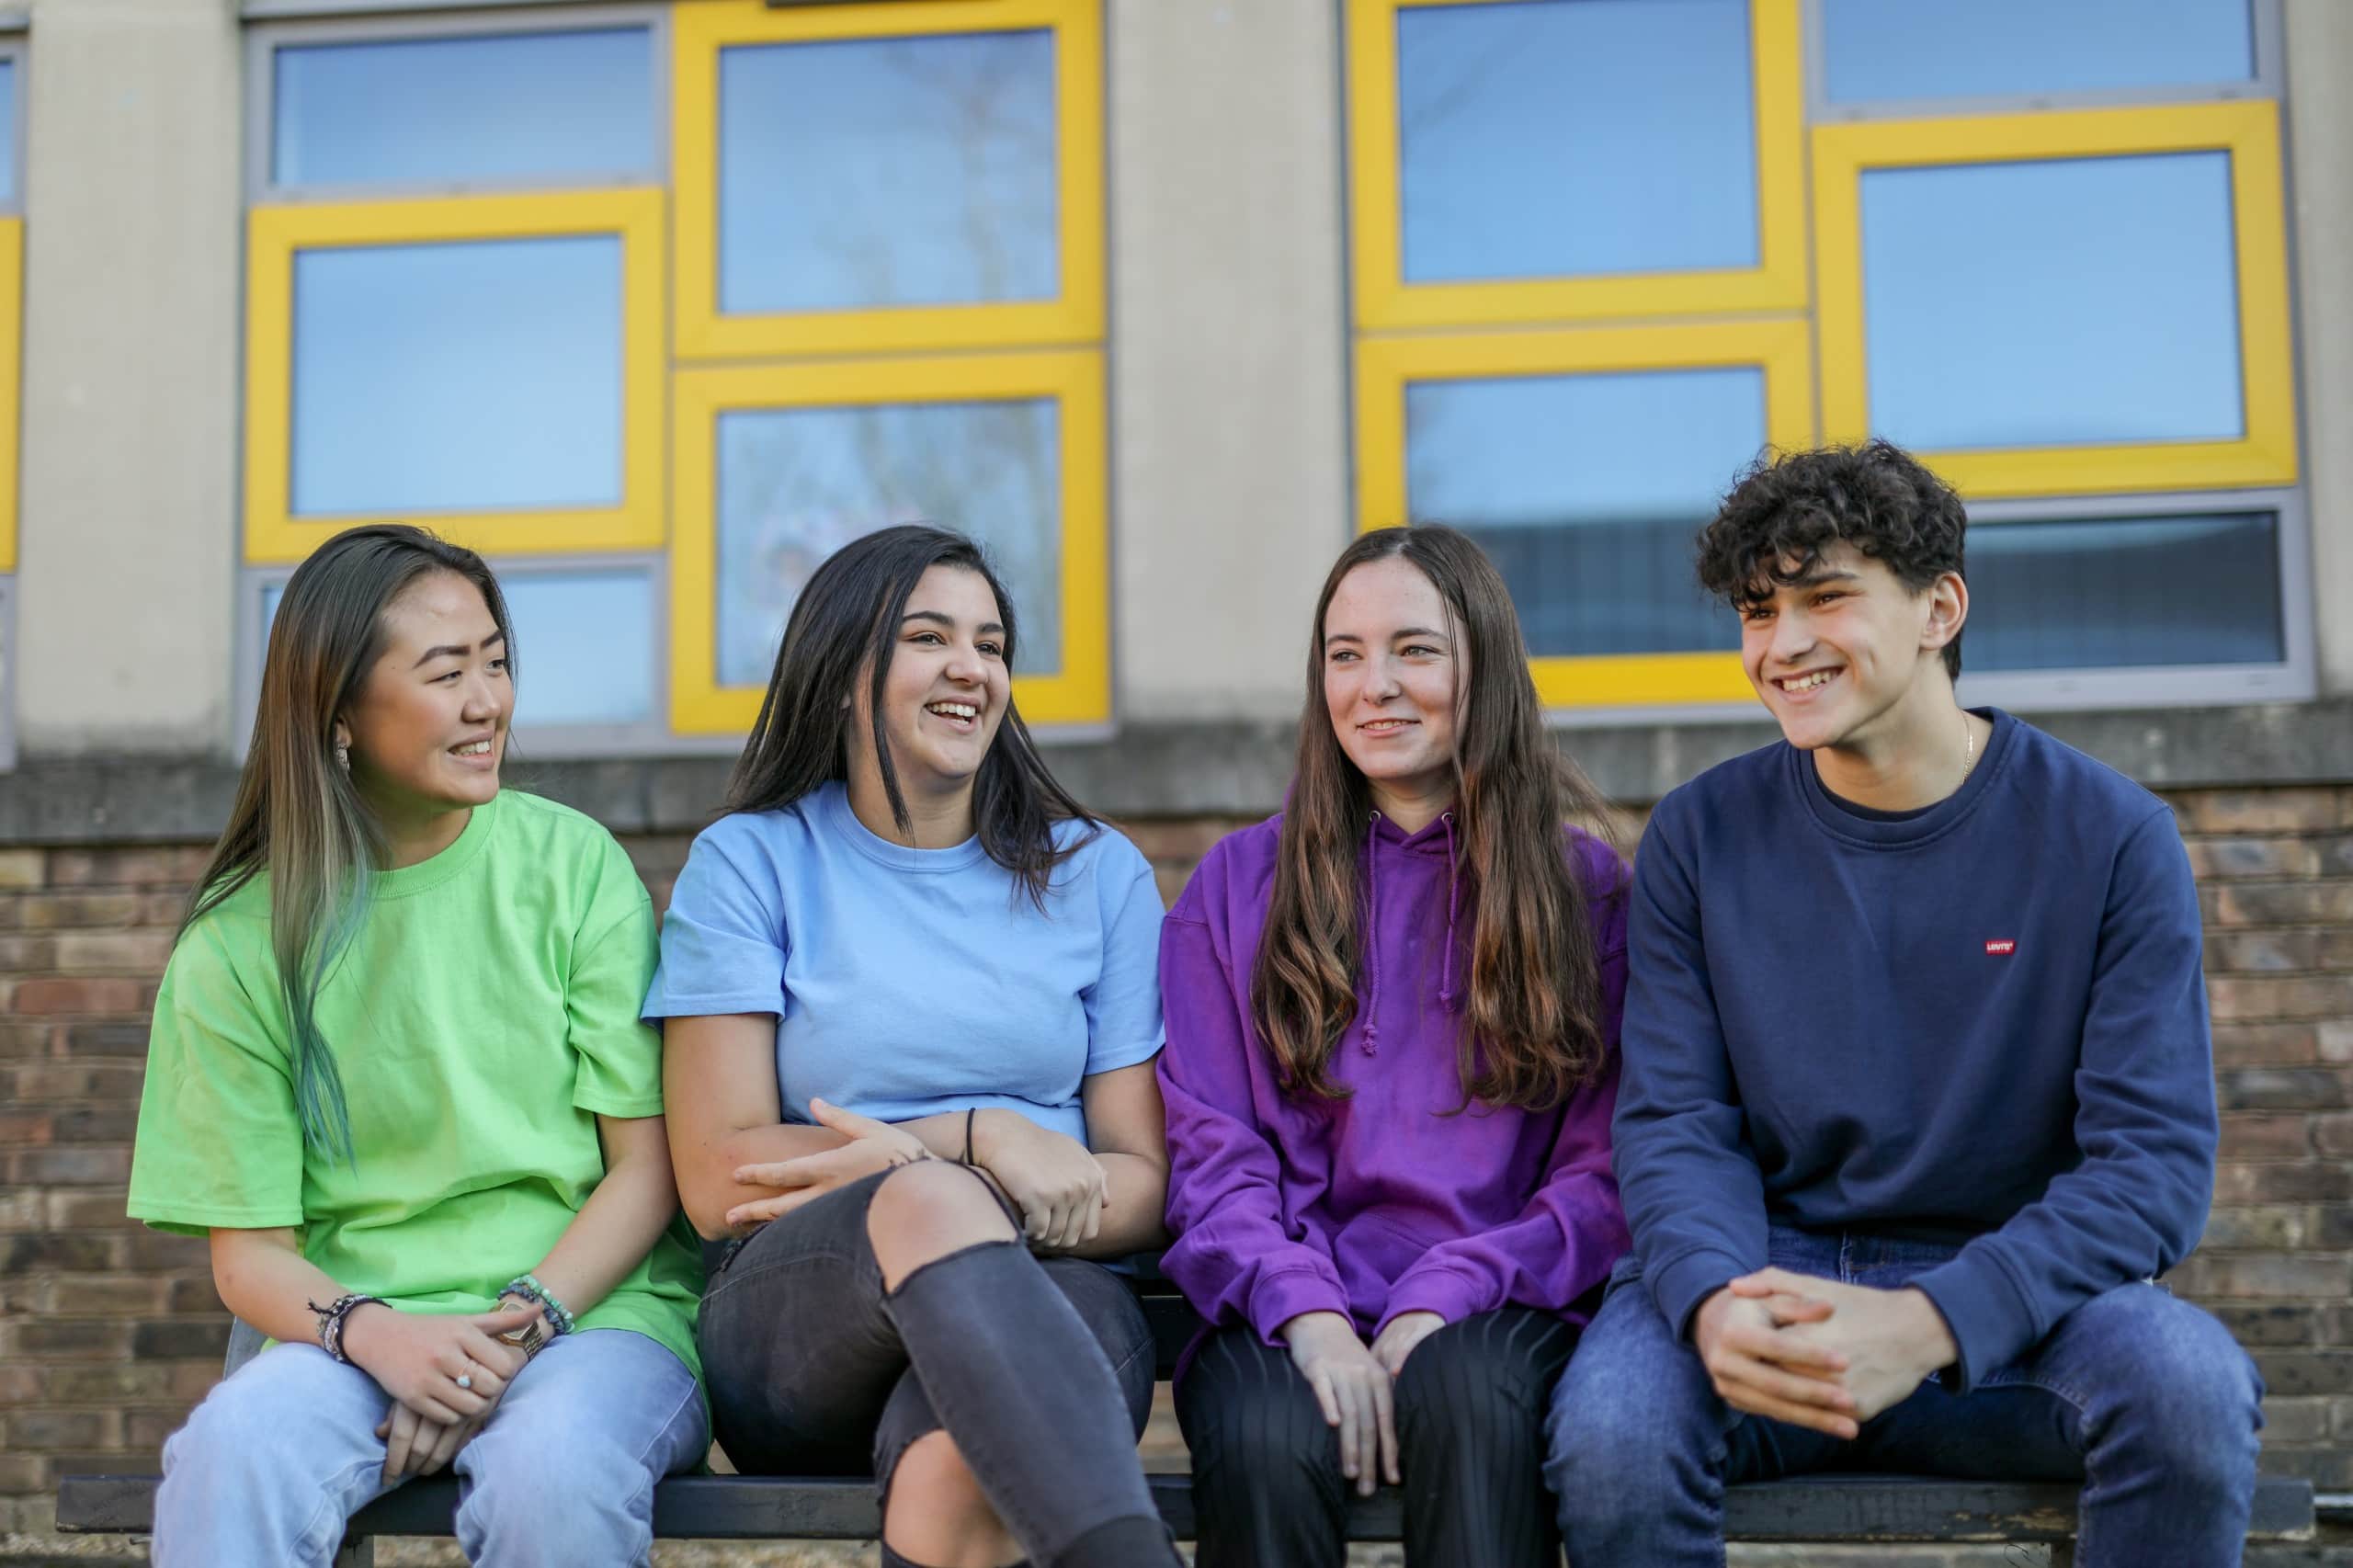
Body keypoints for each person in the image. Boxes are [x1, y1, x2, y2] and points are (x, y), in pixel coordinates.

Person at [1546, 441, 2264, 1565]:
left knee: (2186, 1389)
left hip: (2011, 1308)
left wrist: (1930, 1322)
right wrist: (1715, 1301)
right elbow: (1676, 1120)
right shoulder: (1698, 834)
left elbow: (2151, 1165)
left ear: (1940, 609)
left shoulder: (2112, 838)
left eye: (1825, 597)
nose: (1781, 645)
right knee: (1613, 1434)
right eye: (1755, 609)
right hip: (1767, 1279)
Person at [129, 525, 707, 1568]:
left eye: (496, 661)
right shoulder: (235, 945)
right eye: (447, 673)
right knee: (230, 1449)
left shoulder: (573, 868)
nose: (488, 700)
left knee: (553, 1473)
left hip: (590, 1317)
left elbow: (647, 1169)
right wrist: (388, 1340)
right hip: (356, 1330)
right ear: (339, 706)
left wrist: (500, 1339)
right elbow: (249, 1254)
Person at [646, 525, 1181, 1568]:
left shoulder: (1098, 872)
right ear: (845, 669)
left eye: (991, 643)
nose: (970, 668)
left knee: (958, 1467)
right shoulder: (753, 861)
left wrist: (945, 1165)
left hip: (1058, 1290)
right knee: (934, 1193)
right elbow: (718, 1177)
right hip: (803, 1325)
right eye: (929, 637)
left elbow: (1146, 1180)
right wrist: (969, 1144)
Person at [1156, 525, 1631, 1568]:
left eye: (1414, 649)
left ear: (1483, 668)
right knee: (1267, 1434)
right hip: (1282, 1298)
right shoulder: (1235, 891)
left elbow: (1603, 1173)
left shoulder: (1583, 892)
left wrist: (1444, 1292)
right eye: (1344, 652)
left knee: (1472, 1398)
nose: (1374, 684)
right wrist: (1306, 1309)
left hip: (1503, 1294)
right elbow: (1212, 1154)